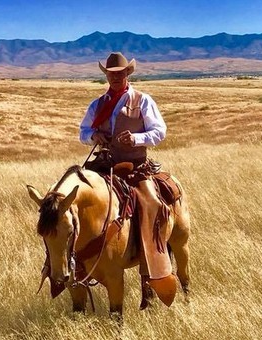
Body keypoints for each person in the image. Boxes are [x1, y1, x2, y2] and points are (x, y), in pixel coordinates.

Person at [79, 52, 178, 308]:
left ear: (127, 74)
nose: (115, 76)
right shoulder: (97, 104)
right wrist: (94, 138)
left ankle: (152, 270)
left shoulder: (142, 100)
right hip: (104, 165)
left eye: (120, 73)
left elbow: (159, 132)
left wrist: (136, 139)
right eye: (111, 73)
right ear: (106, 75)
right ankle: (77, 266)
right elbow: (83, 131)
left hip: (135, 167)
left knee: (152, 206)